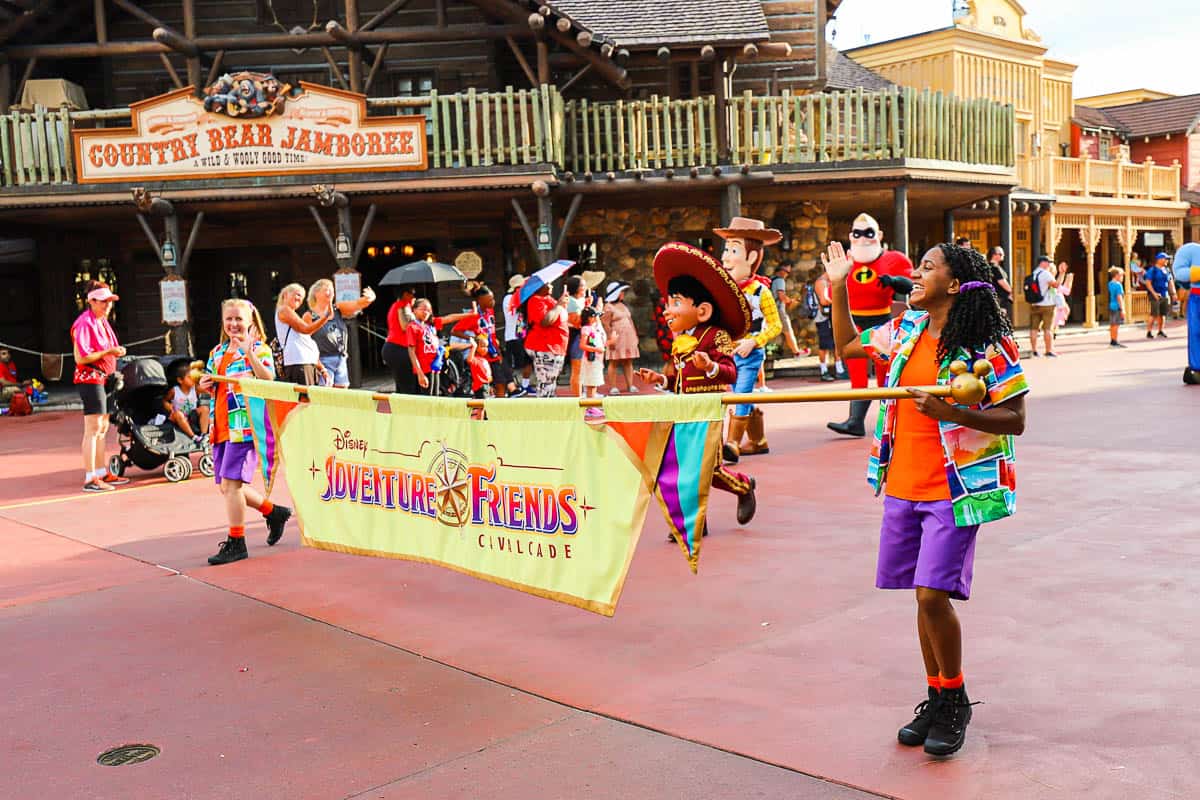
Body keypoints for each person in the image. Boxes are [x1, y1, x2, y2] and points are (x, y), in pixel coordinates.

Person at [823, 239, 1028, 758]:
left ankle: (954, 698)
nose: (915, 273)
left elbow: (1016, 420)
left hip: (957, 488)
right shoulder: (906, 330)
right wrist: (841, 286)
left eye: (928, 268)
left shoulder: (989, 345)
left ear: (955, 284)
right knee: (920, 594)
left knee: (933, 594)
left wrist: (955, 414)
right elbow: (848, 346)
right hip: (902, 483)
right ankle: (936, 695)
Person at [636, 242, 757, 529]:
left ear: (702, 310)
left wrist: (710, 367)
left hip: (708, 411)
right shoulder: (681, 343)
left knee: (709, 470)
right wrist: (661, 380)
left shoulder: (717, 337)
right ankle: (696, 520)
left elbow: (729, 373)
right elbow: (679, 380)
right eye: (668, 303)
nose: (668, 311)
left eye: (676, 303)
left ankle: (743, 487)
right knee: (687, 467)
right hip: (684, 411)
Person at [198, 298, 292, 566]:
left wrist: (249, 352)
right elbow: (211, 380)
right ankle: (273, 512)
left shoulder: (259, 349)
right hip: (221, 426)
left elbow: (268, 379)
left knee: (231, 485)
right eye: (229, 319)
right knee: (227, 487)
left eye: (239, 319)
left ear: (251, 321)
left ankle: (237, 542)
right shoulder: (217, 351)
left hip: (244, 426)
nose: (234, 324)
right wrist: (206, 384)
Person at [827, 213, 914, 438]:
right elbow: (829, 285)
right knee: (857, 375)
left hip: (882, 323)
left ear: (880, 235)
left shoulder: (895, 259)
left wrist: (894, 281)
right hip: (854, 323)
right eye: (857, 233)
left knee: (887, 376)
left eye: (869, 233)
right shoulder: (846, 260)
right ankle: (855, 421)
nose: (863, 238)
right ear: (850, 236)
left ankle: (891, 420)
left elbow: (910, 284)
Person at [712, 217, 783, 460]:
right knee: (743, 395)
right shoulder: (722, 290)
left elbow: (776, 325)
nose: (725, 257)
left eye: (733, 250)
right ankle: (759, 440)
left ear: (752, 258)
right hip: (728, 355)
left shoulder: (760, 291)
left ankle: (732, 442)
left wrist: (754, 342)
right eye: (726, 250)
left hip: (750, 354)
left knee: (741, 394)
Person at [71, 282, 130, 493]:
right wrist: (109, 352)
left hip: (105, 377)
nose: (107, 305)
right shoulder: (84, 323)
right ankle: (90, 477)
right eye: (103, 301)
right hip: (91, 378)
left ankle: (100, 471)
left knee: (103, 428)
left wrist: (113, 352)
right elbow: (81, 357)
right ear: (91, 301)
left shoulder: (101, 321)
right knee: (93, 428)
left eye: (109, 302)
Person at [307, 279, 375, 388]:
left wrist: (369, 298)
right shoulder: (310, 316)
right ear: (316, 293)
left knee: (342, 389)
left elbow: (357, 304)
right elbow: (305, 341)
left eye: (332, 289)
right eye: (326, 289)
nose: (330, 292)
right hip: (323, 360)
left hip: (340, 357)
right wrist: (318, 365)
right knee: (326, 392)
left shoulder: (338, 308)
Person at [452, 285, 514, 397]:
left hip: (494, 351)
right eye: (489, 300)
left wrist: (498, 350)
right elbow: (454, 331)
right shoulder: (473, 315)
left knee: (502, 381)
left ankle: (500, 406)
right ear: (480, 300)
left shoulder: (490, 311)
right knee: (489, 384)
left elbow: (492, 332)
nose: (493, 302)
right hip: (483, 354)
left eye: (493, 298)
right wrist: (472, 339)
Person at [408, 299, 470, 395]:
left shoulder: (430, 325)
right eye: (423, 309)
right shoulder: (413, 327)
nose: (426, 312)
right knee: (427, 397)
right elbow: (411, 351)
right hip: (424, 368)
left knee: (436, 395)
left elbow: (449, 318)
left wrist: (469, 315)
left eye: (428, 310)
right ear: (414, 310)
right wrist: (419, 373)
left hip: (435, 365)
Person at [275, 282, 331, 385]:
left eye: (301, 297)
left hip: (306, 362)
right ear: (286, 295)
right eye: (297, 294)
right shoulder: (284, 310)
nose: (299, 299)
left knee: (309, 399)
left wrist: (322, 369)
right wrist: (325, 317)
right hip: (299, 363)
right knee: (304, 400)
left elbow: (306, 337)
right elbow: (306, 329)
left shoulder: (291, 314)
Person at [521, 282, 570, 398]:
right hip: (544, 346)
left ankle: (549, 406)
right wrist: (559, 304)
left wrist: (562, 305)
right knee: (546, 381)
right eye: (548, 284)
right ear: (538, 287)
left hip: (555, 346)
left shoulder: (549, 299)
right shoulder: (535, 300)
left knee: (550, 380)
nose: (552, 286)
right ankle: (544, 410)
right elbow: (545, 321)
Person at [601, 281, 640, 395]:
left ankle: (630, 385)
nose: (623, 294)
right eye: (621, 292)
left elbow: (630, 321)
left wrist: (635, 336)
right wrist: (610, 339)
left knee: (628, 361)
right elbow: (606, 324)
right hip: (616, 337)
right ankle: (613, 386)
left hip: (628, 337)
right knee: (614, 361)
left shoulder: (623, 305)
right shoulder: (608, 306)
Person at [1171, 242, 1200, 384]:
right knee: (1196, 332)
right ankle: (1197, 367)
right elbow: (1179, 272)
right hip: (1197, 297)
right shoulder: (1191, 250)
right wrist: (1197, 272)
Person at [382, 287, 419, 394]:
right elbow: (405, 326)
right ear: (405, 294)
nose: (414, 297)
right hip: (399, 347)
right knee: (408, 387)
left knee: (402, 385)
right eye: (412, 293)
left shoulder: (395, 306)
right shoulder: (403, 305)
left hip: (394, 347)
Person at [501, 276, 533, 397]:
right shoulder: (508, 298)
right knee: (513, 363)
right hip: (512, 336)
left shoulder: (523, 299)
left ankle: (525, 385)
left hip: (523, 334)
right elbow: (514, 308)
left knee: (528, 361)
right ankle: (510, 387)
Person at [164, 361, 210, 442]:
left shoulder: (195, 388)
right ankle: (193, 437)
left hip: (191, 416)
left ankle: (204, 434)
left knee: (205, 409)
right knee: (178, 414)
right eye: (189, 377)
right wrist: (168, 406)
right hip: (178, 418)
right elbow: (165, 400)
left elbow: (208, 391)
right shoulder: (174, 391)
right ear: (180, 380)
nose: (193, 379)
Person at [577, 306, 607, 418]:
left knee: (593, 384)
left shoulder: (593, 327)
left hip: (597, 360)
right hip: (591, 359)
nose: (596, 319)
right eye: (594, 317)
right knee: (591, 383)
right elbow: (582, 345)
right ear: (589, 318)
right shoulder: (586, 329)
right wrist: (596, 350)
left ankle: (591, 405)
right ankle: (590, 406)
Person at [1026, 255, 1058, 357]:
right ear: (1042, 263)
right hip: (1047, 304)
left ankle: (1034, 350)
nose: (1049, 264)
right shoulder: (1045, 274)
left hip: (1035, 303)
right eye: (1048, 262)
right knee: (1047, 328)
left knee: (1034, 328)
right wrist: (1062, 274)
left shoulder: (1034, 273)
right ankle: (1048, 350)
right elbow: (1056, 285)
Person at [563, 275, 589, 396]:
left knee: (584, 368)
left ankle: (584, 392)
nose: (585, 287)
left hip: (584, 335)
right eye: (582, 285)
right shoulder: (572, 302)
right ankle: (577, 397)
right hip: (576, 337)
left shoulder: (582, 300)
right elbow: (576, 322)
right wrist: (588, 310)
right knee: (577, 369)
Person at [811, 271, 839, 382]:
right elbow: (824, 301)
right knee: (824, 344)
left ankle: (838, 369)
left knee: (834, 342)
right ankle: (824, 370)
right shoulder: (821, 282)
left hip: (829, 317)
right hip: (822, 317)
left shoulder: (829, 281)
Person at [771, 261, 803, 357]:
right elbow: (781, 296)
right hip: (779, 310)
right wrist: (790, 301)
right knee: (788, 331)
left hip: (770, 310)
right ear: (781, 270)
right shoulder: (780, 280)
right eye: (786, 272)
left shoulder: (771, 279)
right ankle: (796, 352)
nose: (786, 275)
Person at [1143, 252, 1172, 339]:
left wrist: (1172, 293)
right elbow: (1148, 283)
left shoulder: (1167, 270)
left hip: (1165, 294)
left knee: (1163, 314)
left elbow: (1170, 282)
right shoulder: (1152, 270)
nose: (1166, 260)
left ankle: (1160, 331)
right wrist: (1154, 293)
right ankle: (1149, 332)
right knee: (1154, 313)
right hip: (1155, 294)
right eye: (1165, 258)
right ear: (1159, 259)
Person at [986, 247, 1014, 320]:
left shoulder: (986, 267)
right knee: (1001, 319)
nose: (1003, 255)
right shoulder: (995, 268)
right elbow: (1002, 282)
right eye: (1001, 254)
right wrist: (1011, 291)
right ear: (994, 255)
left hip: (992, 297)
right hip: (1000, 298)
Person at [1051, 262, 1073, 333]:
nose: (1053, 272)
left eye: (1054, 271)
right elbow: (1058, 286)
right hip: (1052, 306)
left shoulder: (1054, 281)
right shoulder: (1049, 282)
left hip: (1058, 306)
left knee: (1054, 327)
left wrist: (1068, 280)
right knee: (1052, 326)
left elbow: (1065, 291)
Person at [1107, 267, 1126, 348]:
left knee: (1112, 324)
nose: (1122, 277)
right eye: (1121, 275)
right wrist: (1123, 309)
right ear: (1117, 275)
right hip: (1117, 306)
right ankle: (1114, 341)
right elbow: (1119, 297)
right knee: (1116, 325)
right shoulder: (1118, 285)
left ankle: (1112, 340)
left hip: (1111, 305)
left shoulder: (1110, 284)